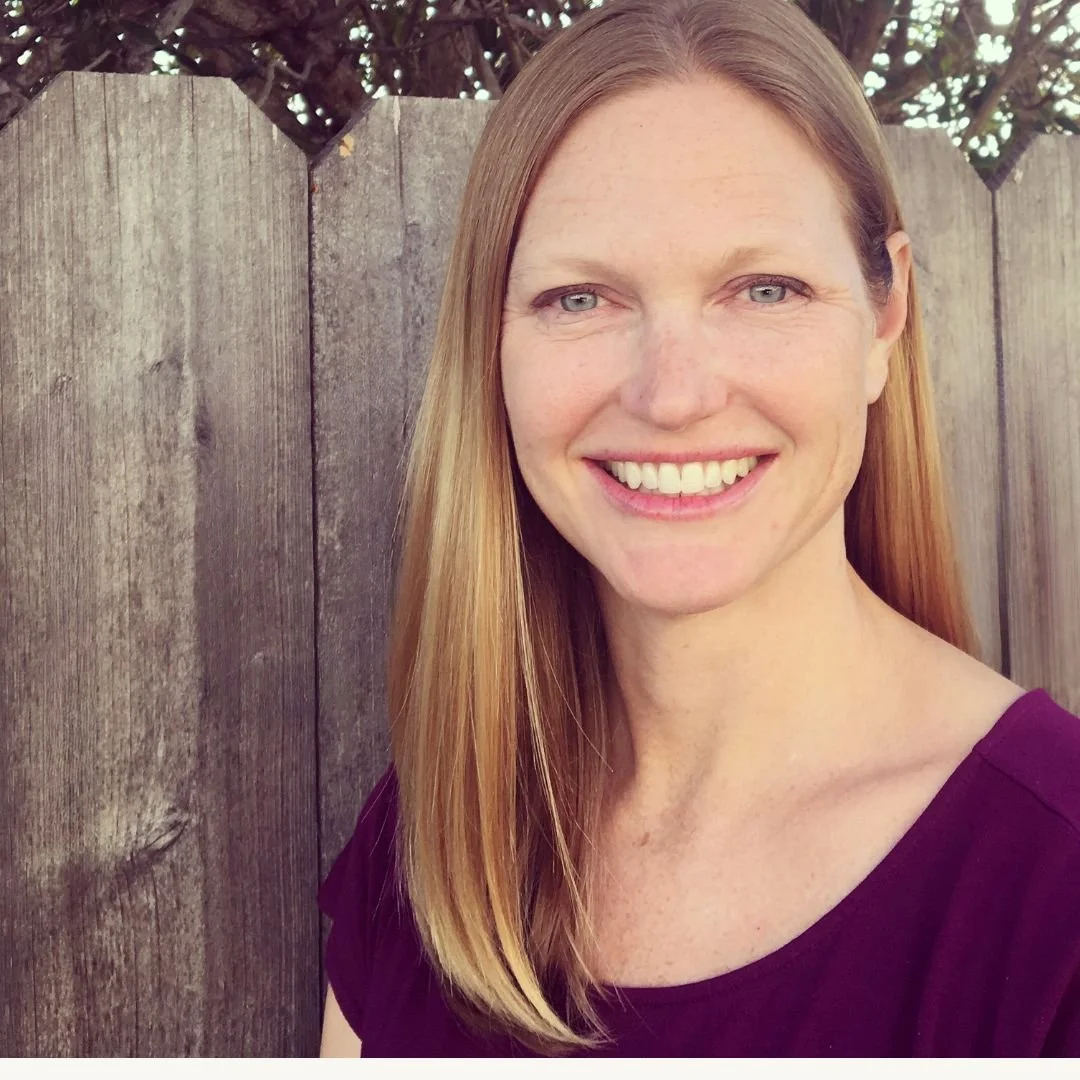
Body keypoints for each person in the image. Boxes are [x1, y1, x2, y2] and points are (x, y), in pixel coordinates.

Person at [317, 0, 1080, 1057]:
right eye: (581, 299)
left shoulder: (1055, 891)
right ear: (491, 344)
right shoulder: (433, 848)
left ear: (885, 316)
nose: (672, 396)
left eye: (763, 288)